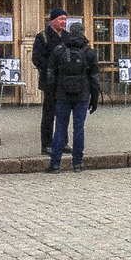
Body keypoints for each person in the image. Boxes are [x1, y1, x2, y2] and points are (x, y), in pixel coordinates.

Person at [45, 21, 100, 174]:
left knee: (60, 129)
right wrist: (94, 98)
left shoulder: (59, 50)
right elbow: (95, 78)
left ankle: (55, 164)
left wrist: (52, 93)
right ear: (82, 32)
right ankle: (77, 164)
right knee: (78, 129)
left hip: (62, 95)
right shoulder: (89, 51)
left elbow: (50, 73)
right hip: (82, 95)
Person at [32, 7, 68, 155]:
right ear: (53, 20)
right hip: (50, 82)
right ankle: (46, 144)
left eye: (65, 19)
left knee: (63, 113)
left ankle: (63, 142)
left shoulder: (68, 36)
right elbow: (37, 58)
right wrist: (51, 67)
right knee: (49, 113)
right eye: (61, 19)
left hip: (65, 82)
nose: (64, 22)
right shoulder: (42, 37)